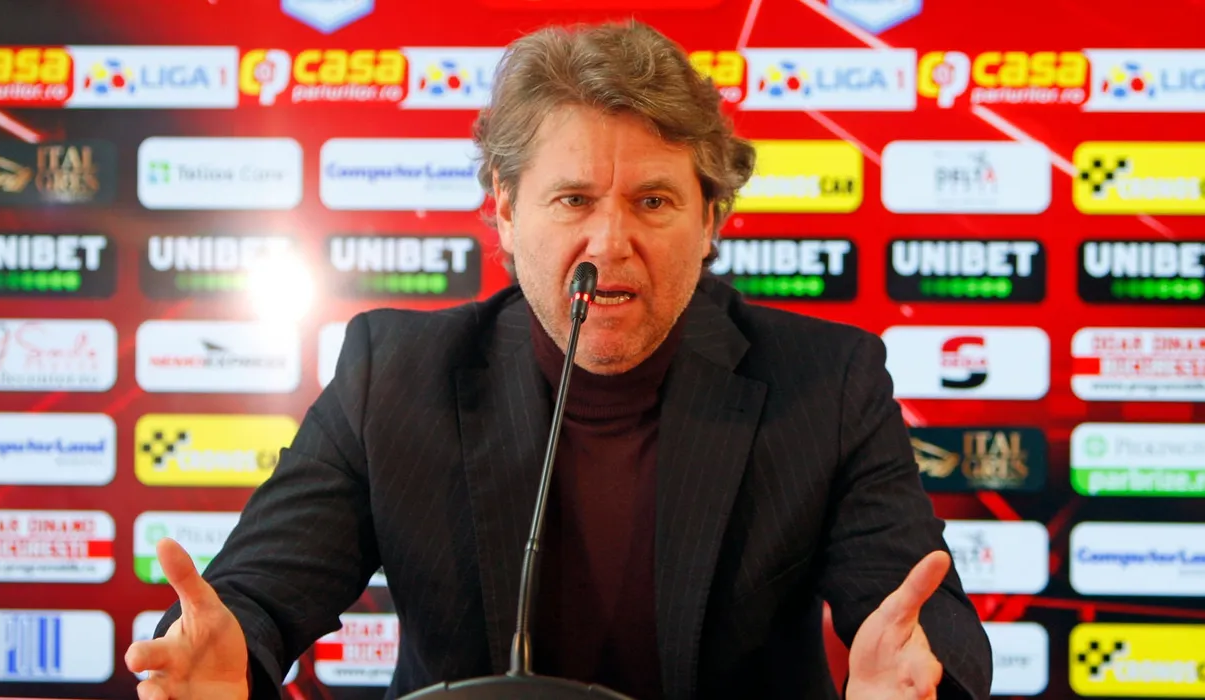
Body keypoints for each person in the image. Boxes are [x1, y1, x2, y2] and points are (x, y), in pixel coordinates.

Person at [125, 19, 993, 700]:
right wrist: (224, 660)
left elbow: (925, 625)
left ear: (710, 221)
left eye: (653, 201)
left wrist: (916, 678)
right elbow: (255, 598)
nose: (608, 243)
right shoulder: (392, 373)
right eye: (573, 199)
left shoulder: (826, 382)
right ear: (505, 211)